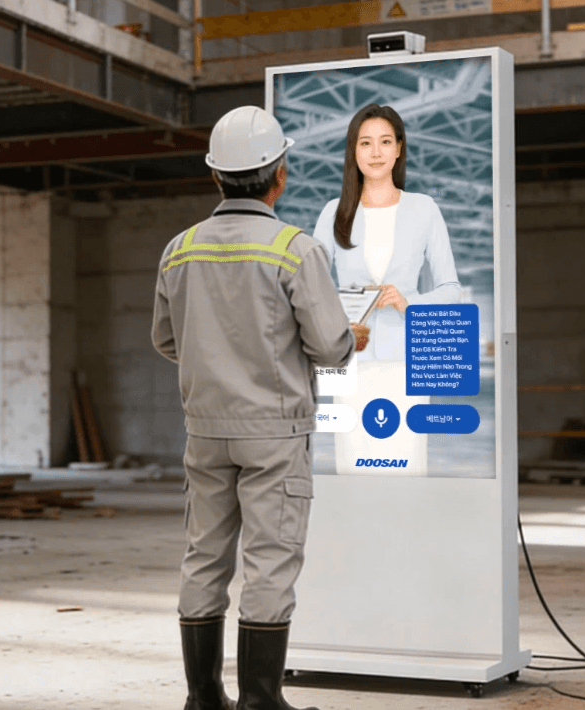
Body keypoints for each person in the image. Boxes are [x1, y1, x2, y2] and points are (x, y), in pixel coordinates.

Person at [152, 105, 370, 710]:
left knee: (203, 558)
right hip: (274, 432)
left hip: (205, 431)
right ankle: (260, 700)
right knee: (269, 563)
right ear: (280, 174)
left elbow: (166, 341)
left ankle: (203, 699)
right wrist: (353, 335)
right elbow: (328, 345)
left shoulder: (179, 249)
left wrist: (216, 358)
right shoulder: (293, 249)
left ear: (215, 177)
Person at [312, 103, 460, 476]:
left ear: (399, 148)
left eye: (384, 142)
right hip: (350, 361)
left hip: (404, 363)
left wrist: (408, 303)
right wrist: (342, 306)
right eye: (365, 143)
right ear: (354, 151)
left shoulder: (423, 209)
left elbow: (451, 289)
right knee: (353, 466)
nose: (375, 152)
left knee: (406, 467)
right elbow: (310, 286)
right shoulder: (333, 212)